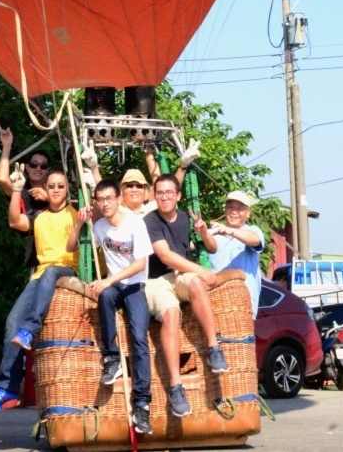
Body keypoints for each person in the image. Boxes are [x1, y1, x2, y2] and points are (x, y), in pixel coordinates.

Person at [0, 167, 89, 411]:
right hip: (40, 277)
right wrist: (16, 191)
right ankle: (7, 389)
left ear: (67, 190)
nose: (55, 190)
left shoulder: (76, 213)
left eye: (60, 186)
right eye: (51, 186)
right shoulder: (39, 217)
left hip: (66, 272)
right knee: (11, 323)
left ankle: (31, 329)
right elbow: (14, 221)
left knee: (51, 271)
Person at [143, 174, 228, 418]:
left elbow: (212, 248)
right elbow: (165, 256)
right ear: (155, 196)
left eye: (170, 192)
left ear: (178, 196)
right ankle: (175, 386)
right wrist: (200, 269)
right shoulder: (150, 221)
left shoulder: (185, 219)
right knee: (171, 314)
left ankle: (213, 348)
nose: (165, 197)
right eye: (160, 193)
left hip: (180, 274)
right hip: (156, 280)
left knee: (196, 285)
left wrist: (202, 233)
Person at [86, 178, 154, 435]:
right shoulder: (99, 227)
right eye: (100, 200)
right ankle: (111, 358)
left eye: (109, 199)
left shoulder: (135, 224)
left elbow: (140, 265)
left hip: (134, 285)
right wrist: (82, 221)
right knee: (104, 297)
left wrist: (109, 280)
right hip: (113, 288)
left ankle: (142, 402)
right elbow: (77, 245)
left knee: (139, 338)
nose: (105, 204)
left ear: (118, 199)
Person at [0, 126, 51, 270]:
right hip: (36, 255)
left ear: (48, 170)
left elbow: (74, 207)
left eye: (43, 166)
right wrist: (6, 145)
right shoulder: (21, 189)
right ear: (27, 167)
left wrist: (49, 198)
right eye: (34, 165)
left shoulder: (57, 189)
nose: (38, 169)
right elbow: (2, 179)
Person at [208, 190, 265, 317]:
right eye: (230, 207)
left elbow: (255, 240)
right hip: (215, 305)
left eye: (240, 209)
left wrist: (230, 231)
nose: (234, 212)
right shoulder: (212, 233)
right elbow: (189, 245)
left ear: (248, 213)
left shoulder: (252, 231)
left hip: (243, 307)